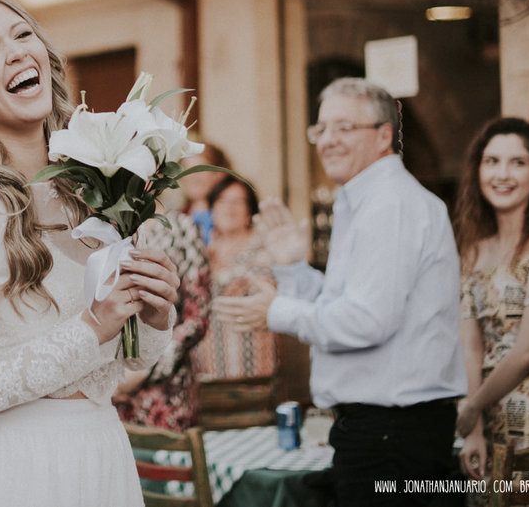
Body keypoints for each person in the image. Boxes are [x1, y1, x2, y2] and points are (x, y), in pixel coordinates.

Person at [0, 0, 181, 506]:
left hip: (98, 452)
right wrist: (90, 328)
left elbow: (128, 360)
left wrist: (152, 313)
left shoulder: (95, 189)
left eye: (22, 34)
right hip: (9, 468)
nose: (15, 52)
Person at [214, 77, 465, 506]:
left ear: (384, 135)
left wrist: (278, 312)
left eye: (344, 128)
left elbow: (366, 322)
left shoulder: (390, 205)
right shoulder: (367, 201)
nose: (327, 140)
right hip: (382, 432)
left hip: (394, 437)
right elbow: (344, 305)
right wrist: (293, 267)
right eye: (321, 129)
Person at [453, 117, 529, 488]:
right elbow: (470, 346)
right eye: (492, 161)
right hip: (483, 421)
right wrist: (473, 428)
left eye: (518, 162)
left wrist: (472, 407)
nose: (503, 174)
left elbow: (528, 350)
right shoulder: (471, 251)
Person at [114, 212, 210, 432]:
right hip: (107, 393)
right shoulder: (100, 226)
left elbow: (197, 316)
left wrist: (142, 371)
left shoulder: (179, 227)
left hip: (164, 391)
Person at [193, 174, 279, 381]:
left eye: (237, 202)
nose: (228, 208)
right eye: (222, 201)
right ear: (212, 209)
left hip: (254, 366)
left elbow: (264, 288)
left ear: (249, 210)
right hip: (208, 368)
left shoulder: (265, 248)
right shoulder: (201, 252)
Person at [180, 142, 231, 245]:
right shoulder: (177, 217)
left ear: (219, 174)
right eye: (186, 170)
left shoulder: (230, 216)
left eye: (199, 169)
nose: (191, 176)